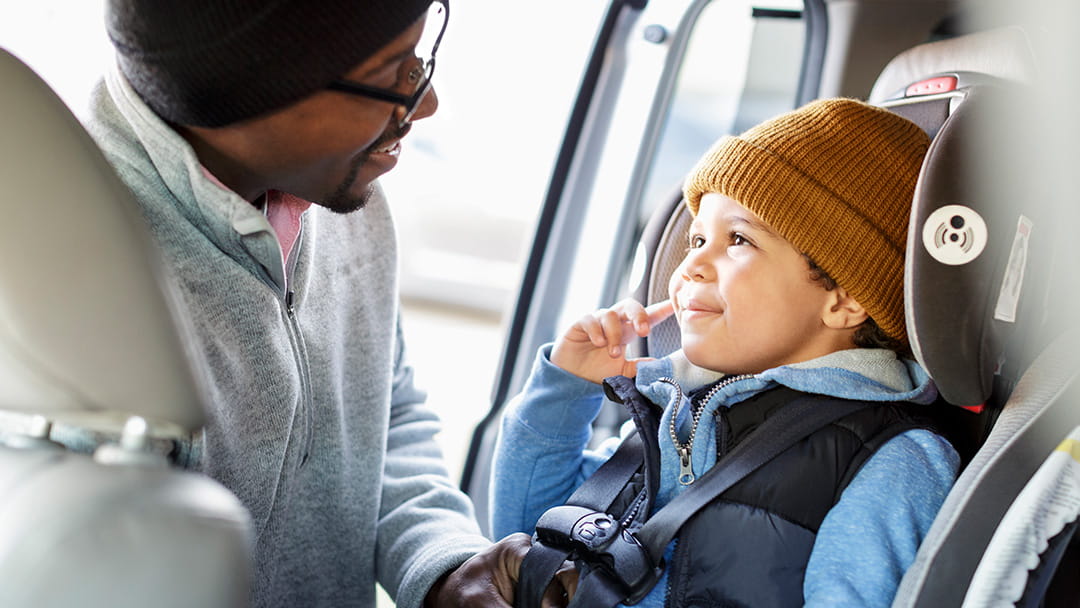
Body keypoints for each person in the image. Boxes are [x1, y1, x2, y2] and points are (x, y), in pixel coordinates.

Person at [61, 0, 571, 606]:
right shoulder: (75, 285)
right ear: (251, 86)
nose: (426, 101)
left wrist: (441, 567)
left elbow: (385, 413)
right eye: (393, 76)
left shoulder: (342, 199)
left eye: (421, 56)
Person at [492, 98, 961, 606]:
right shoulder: (676, 409)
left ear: (845, 299)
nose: (692, 264)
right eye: (697, 238)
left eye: (737, 239)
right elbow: (524, 541)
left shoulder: (890, 460)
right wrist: (563, 392)